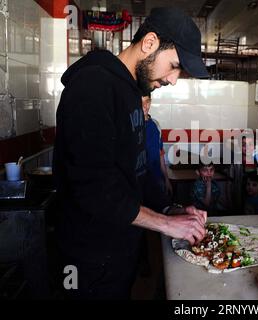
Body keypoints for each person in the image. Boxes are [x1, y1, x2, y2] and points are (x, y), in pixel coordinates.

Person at [53, 7, 209, 299]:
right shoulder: (92, 86)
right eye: (174, 65)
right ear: (149, 43)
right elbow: (94, 190)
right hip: (86, 260)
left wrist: (169, 211)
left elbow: (133, 175)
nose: (174, 80)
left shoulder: (129, 92)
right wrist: (165, 225)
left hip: (118, 251)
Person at [142, 95, 173, 197]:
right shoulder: (132, 126)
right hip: (139, 182)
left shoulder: (155, 125)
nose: (144, 106)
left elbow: (160, 155)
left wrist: (166, 179)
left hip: (156, 180)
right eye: (140, 102)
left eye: (147, 102)